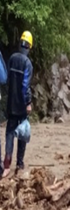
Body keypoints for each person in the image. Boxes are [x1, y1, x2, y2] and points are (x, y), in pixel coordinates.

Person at [4, 31, 33, 176]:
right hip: (21, 106)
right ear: (29, 47)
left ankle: (7, 165)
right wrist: (28, 102)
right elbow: (25, 86)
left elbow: (8, 80)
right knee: (22, 134)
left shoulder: (12, 58)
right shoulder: (27, 63)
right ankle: (19, 165)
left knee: (9, 133)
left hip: (10, 104)